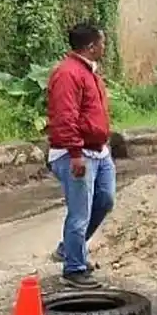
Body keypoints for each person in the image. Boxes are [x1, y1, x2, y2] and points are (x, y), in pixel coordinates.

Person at [47, 22, 115, 289]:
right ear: (91, 46)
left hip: (98, 151)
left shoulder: (89, 72)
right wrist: (75, 152)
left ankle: (69, 248)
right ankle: (74, 268)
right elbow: (65, 116)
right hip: (77, 153)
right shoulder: (68, 74)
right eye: (102, 42)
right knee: (80, 213)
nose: (104, 46)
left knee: (105, 200)